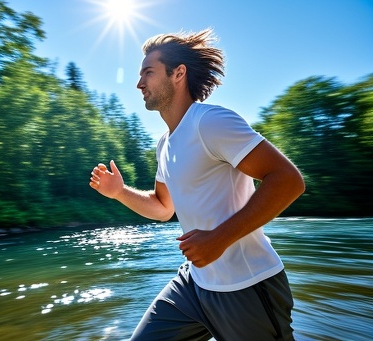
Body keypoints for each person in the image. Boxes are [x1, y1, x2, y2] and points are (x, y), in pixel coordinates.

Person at [89, 29, 305, 341]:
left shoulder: (210, 122)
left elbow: (287, 180)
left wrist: (218, 238)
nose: (139, 84)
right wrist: (119, 192)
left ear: (178, 74)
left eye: (148, 73)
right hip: (193, 285)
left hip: (246, 286)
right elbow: (164, 208)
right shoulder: (165, 144)